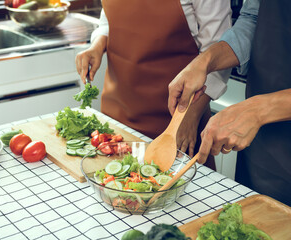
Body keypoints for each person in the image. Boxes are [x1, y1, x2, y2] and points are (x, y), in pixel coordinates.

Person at [76, 0, 232, 169]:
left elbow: (221, 51)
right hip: (116, 116)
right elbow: (108, 18)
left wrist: (191, 116)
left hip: (176, 122)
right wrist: (98, 45)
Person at [168, 0, 291, 206]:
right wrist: (206, 61)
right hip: (261, 145)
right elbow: (253, 19)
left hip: (258, 115)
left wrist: (259, 110)